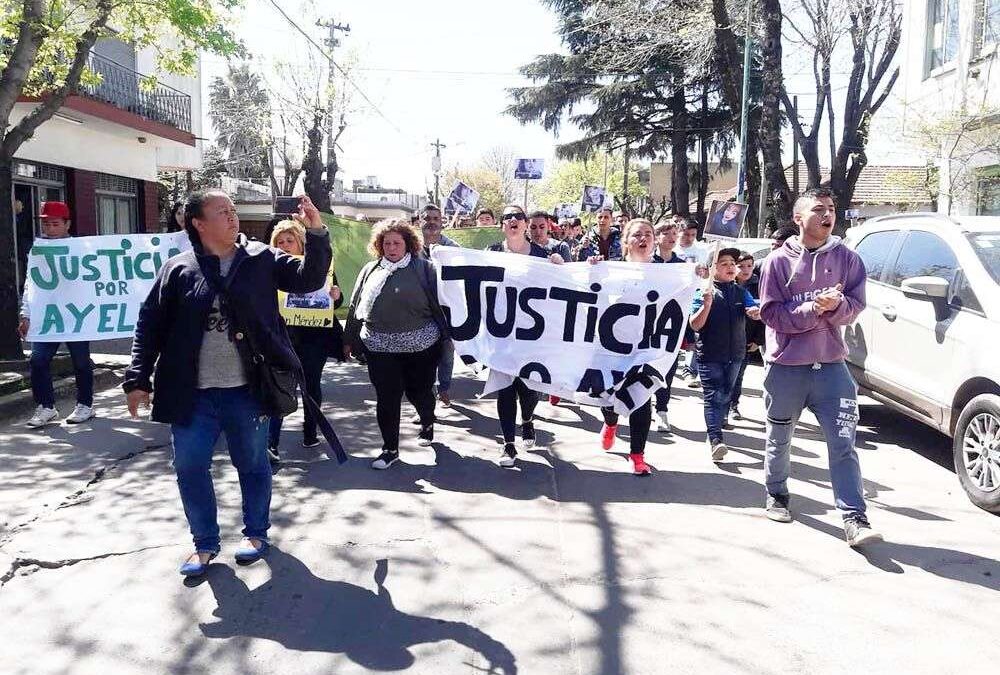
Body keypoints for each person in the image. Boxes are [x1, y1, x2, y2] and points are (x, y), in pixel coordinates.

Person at [124, 191, 332, 576]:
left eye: (233, 211)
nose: (233, 218)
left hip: (247, 391)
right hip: (192, 395)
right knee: (189, 466)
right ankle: (203, 543)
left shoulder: (260, 259)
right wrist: (137, 378)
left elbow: (309, 279)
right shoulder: (177, 269)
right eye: (222, 212)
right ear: (198, 224)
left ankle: (255, 532)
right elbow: (149, 324)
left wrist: (316, 232)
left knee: (253, 464)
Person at [758, 188, 880, 547]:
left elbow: (856, 307)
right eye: (818, 210)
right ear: (798, 218)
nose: (827, 215)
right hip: (786, 367)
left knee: (844, 444)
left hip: (831, 368)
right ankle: (777, 494)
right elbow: (771, 314)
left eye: (831, 208)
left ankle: (854, 517)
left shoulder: (849, 259)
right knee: (779, 438)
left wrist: (837, 305)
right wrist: (814, 309)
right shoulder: (777, 262)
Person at [343, 219, 448, 471]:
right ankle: (390, 449)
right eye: (386, 243)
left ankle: (427, 420)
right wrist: (349, 339)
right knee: (387, 398)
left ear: (408, 244)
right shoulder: (370, 270)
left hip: (421, 346)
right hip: (379, 346)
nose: (391, 247)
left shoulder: (425, 269)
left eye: (396, 243)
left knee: (418, 392)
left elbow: (443, 303)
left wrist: (450, 336)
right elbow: (356, 306)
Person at [486, 205, 563, 467]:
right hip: (502, 334)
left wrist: (560, 269)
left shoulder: (543, 256)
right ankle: (508, 444)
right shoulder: (491, 253)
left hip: (534, 336)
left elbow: (561, 290)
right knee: (505, 389)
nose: (512, 220)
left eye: (517, 216)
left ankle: (528, 419)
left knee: (529, 389)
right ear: (502, 226)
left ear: (525, 223)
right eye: (507, 217)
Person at [266, 221, 344, 466]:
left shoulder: (320, 266)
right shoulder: (268, 268)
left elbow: (336, 300)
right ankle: (271, 442)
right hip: (282, 337)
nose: (285, 246)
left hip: (315, 338)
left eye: (290, 241)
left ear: (301, 243)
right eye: (280, 242)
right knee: (278, 387)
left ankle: (310, 432)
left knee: (311, 386)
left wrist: (336, 295)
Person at [591, 219, 660, 475]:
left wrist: (698, 276)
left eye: (648, 234)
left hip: (647, 349)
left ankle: (637, 455)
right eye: (637, 235)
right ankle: (610, 422)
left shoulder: (667, 273)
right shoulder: (613, 271)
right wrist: (592, 271)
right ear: (626, 243)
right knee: (609, 397)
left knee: (641, 401)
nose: (643, 239)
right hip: (614, 348)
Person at [19, 201, 96, 428]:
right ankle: (46, 407)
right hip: (48, 316)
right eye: (46, 224)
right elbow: (30, 284)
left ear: (67, 224)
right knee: (38, 359)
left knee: (81, 362)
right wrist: (25, 314)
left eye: (54, 224)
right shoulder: (38, 250)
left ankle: (85, 405)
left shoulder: (82, 249)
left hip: (76, 314)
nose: (50, 229)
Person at [689, 247, 760, 462]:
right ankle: (716, 440)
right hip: (710, 354)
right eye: (724, 263)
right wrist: (706, 306)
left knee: (726, 394)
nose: (731, 267)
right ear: (713, 268)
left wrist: (755, 312)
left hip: (736, 353)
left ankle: (717, 422)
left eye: (733, 263)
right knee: (713, 396)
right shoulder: (703, 292)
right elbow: (695, 324)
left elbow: (753, 310)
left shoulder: (741, 292)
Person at [419, 204, 458, 407]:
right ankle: (426, 398)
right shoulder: (410, 247)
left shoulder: (452, 248)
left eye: (436, 218)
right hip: (418, 312)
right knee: (423, 358)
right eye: (427, 218)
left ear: (442, 222)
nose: (432, 222)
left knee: (446, 353)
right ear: (420, 221)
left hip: (445, 311)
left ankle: (444, 389)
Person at [650, 220, 685, 432]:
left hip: (670, 325)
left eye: (675, 233)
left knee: (668, 369)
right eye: (666, 233)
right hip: (645, 324)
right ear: (657, 236)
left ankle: (662, 410)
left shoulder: (682, 266)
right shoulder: (647, 261)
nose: (672, 237)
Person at [730, 252, 764, 422]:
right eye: (741, 266)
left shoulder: (759, 286)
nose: (746, 270)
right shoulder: (727, 284)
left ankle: (733, 406)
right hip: (725, 339)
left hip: (746, 340)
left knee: (738, 375)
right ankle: (720, 407)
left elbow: (765, 316)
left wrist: (758, 341)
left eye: (749, 266)